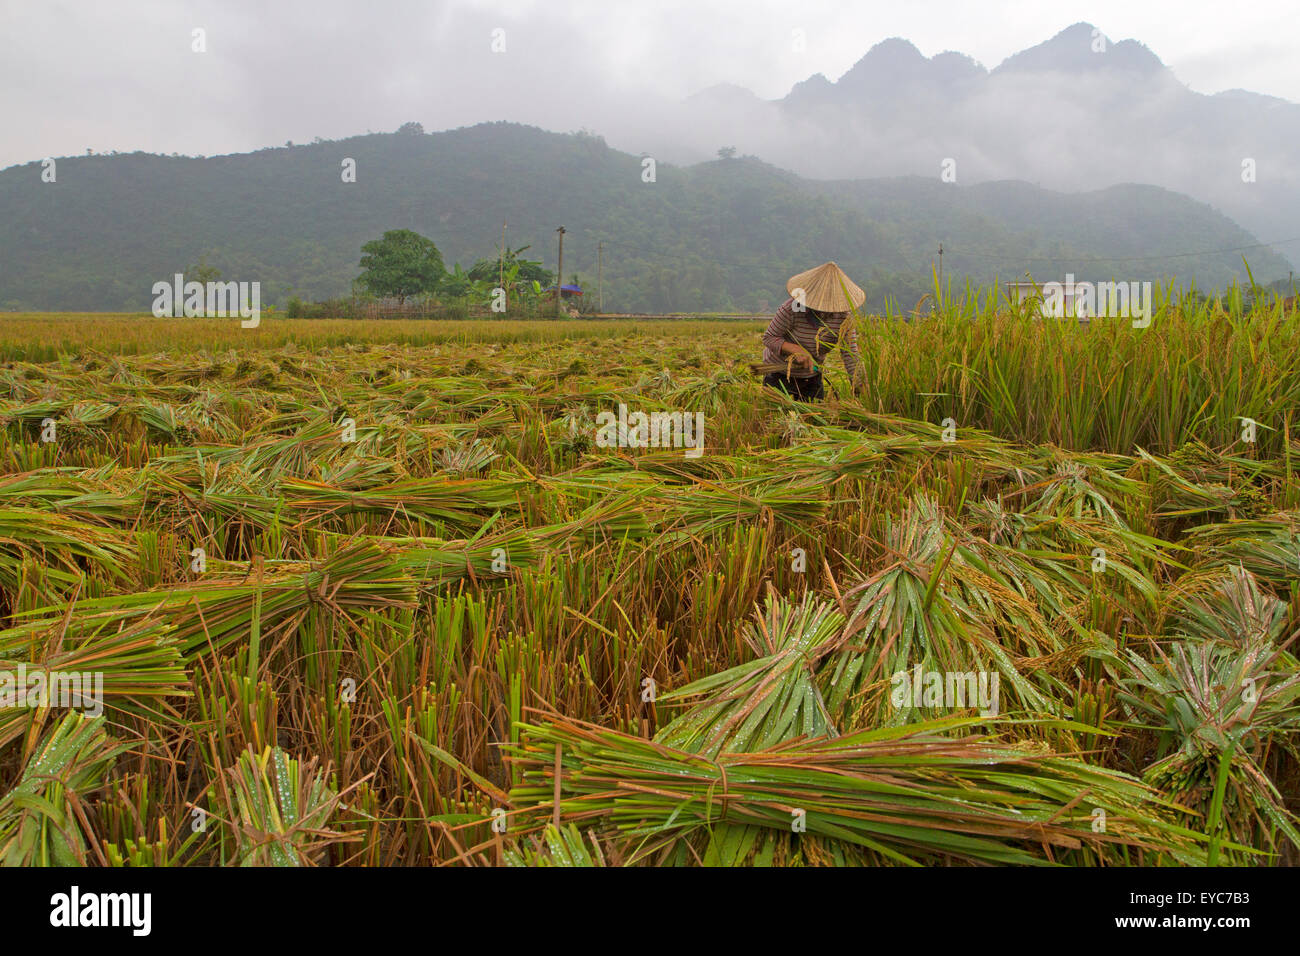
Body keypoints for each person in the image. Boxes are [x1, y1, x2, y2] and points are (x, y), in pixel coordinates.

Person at [761, 261, 864, 401]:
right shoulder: (791, 309)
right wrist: (796, 350)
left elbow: (850, 355)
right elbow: (769, 338)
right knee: (775, 418)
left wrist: (860, 386)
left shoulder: (844, 318)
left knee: (812, 417)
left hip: (811, 376)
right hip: (778, 372)